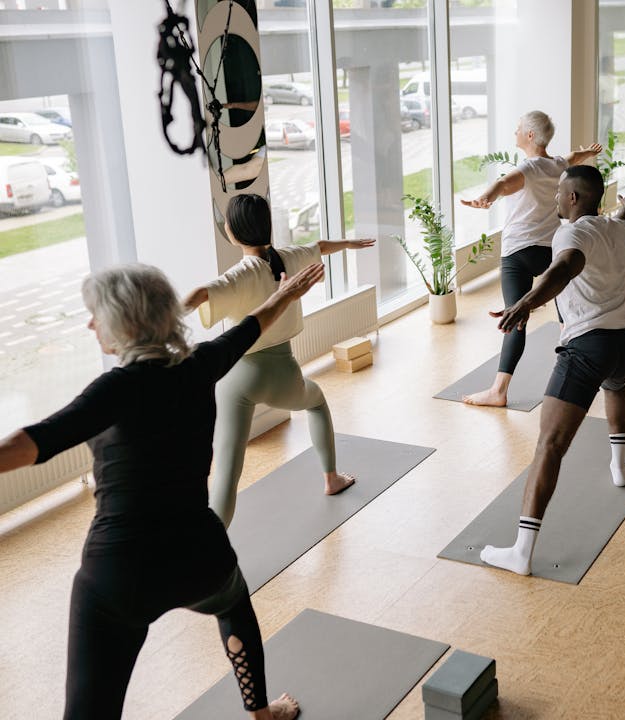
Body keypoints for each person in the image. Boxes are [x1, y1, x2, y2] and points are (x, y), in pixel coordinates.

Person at [0, 261, 326, 720]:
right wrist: (287, 294)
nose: (91, 323)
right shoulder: (200, 366)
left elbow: (32, 442)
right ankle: (262, 713)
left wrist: (284, 297)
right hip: (199, 558)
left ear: (122, 322)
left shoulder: (112, 390)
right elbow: (252, 327)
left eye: (96, 314)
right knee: (234, 605)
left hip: (119, 576)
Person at [479, 166, 625, 576]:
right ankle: (620, 466)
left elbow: (563, 268)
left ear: (574, 198)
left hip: (587, 346)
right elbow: (624, 215)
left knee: (549, 445)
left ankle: (521, 552)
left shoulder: (571, 234)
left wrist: (526, 304)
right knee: (615, 384)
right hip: (624, 346)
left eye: (559, 192)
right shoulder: (617, 228)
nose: (554, 197)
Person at [183, 193, 376, 527]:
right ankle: (331, 478)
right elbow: (319, 246)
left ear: (233, 232)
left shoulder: (240, 273)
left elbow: (200, 295)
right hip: (284, 373)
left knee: (228, 469)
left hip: (237, 380)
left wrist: (161, 316)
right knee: (316, 401)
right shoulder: (286, 259)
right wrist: (348, 243)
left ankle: (207, 553)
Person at [458, 111, 602, 407]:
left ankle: (498, 391)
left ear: (531, 136)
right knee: (566, 315)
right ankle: (578, 376)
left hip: (518, 253)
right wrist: (587, 153)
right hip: (549, 250)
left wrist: (485, 197)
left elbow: (503, 182)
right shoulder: (557, 164)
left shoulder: (529, 167)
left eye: (519, 128)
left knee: (516, 318)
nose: (515, 132)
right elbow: (573, 156)